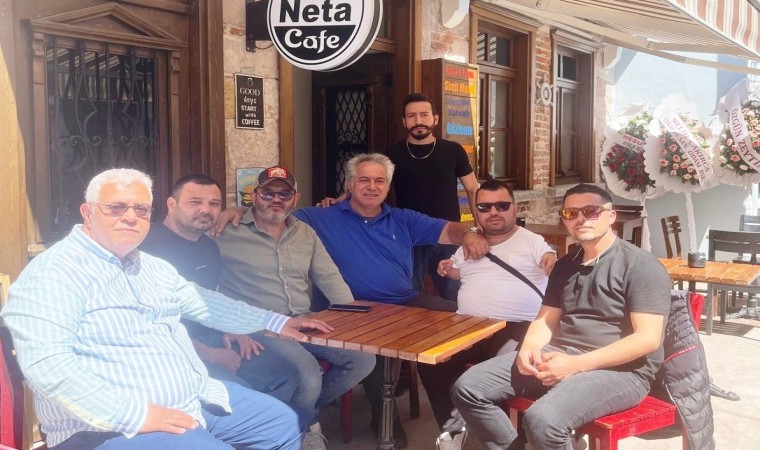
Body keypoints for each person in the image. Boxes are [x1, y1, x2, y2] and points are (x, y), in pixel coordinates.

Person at [1, 168, 332, 450]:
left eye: (141, 209)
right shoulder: (54, 273)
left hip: (192, 398)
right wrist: (134, 414)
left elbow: (204, 302)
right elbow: (49, 367)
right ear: (88, 213)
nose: (130, 216)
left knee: (283, 423)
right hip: (107, 426)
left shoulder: (149, 266)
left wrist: (276, 323)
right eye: (116, 207)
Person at [450, 183, 672, 450]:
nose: (581, 219)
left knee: (543, 421)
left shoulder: (641, 265)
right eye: (571, 213)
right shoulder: (565, 265)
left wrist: (577, 364)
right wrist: (528, 350)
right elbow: (546, 319)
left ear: (611, 216)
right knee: (468, 387)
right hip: (560, 353)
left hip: (621, 370)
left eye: (591, 211)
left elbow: (648, 339)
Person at [214, 166, 376, 449]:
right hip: (260, 326)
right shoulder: (226, 231)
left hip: (304, 320)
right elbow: (199, 268)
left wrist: (353, 322)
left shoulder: (305, 232)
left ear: (295, 198)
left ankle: (300, 416)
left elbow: (329, 277)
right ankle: (305, 427)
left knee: (363, 359)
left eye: (284, 193)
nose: (276, 199)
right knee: (306, 372)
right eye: (268, 193)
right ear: (255, 195)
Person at [139, 175, 299, 413]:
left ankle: (262, 428)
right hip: (168, 352)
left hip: (209, 336)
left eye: (214, 203)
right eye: (195, 202)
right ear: (172, 204)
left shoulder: (209, 246)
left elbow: (210, 301)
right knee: (244, 398)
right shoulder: (147, 246)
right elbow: (149, 326)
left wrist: (232, 329)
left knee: (284, 375)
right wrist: (210, 355)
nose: (205, 210)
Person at [425, 179, 556, 449]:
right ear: (476, 211)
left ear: (515, 207)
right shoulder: (469, 244)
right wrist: (446, 267)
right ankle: (452, 429)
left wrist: (550, 259)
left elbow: (549, 257)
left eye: (502, 205)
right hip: (468, 326)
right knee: (430, 361)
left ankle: (511, 438)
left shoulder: (532, 241)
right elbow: (456, 271)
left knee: (499, 372)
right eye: (485, 207)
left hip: (518, 327)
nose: (493, 212)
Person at [319, 93, 479, 301]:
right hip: (409, 235)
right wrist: (339, 199)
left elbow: (473, 189)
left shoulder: (453, 151)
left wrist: (478, 227)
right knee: (408, 295)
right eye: (411, 116)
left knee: (456, 293)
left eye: (424, 115)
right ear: (404, 121)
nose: (418, 121)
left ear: (435, 119)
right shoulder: (392, 155)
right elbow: (371, 183)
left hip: (446, 233)